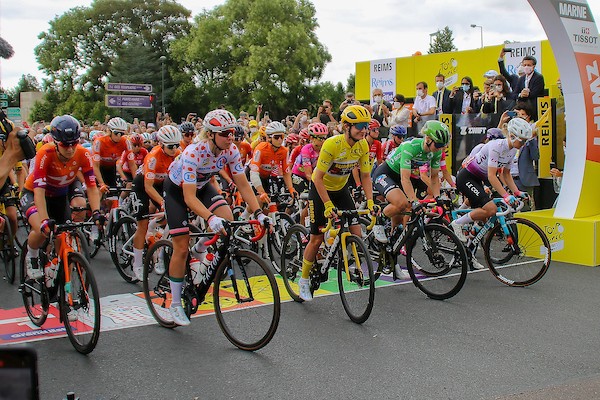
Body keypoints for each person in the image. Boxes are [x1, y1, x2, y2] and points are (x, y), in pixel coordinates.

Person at [164, 109, 270, 326]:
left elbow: (243, 184)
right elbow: (189, 197)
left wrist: (258, 212)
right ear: (210, 134)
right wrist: (210, 218)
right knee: (181, 246)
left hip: (202, 186)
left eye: (231, 132)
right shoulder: (194, 152)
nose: (230, 137)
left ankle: (201, 249)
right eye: (224, 133)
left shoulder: (230, 150)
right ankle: (175, 304)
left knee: (227, 219)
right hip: (178, 190)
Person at [297, 105, 377, 301]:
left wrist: (370, 201)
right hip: (320, 189)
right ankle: (304, 280)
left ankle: (349, 259)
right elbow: (317, 178)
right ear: (346, 126)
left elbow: (366, 176)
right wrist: (327, 205)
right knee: (316, 237)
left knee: (356, 229)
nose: (364, 129)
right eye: (359, 125)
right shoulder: (332, 144)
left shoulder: (363, 145)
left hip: (341, 189)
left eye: (366, 125)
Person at [21, 115, 102, 280]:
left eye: (74, 143)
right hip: (34, 194)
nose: (71, 149)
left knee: (63, 236)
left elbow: (92, 187)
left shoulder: (83, 153)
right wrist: (44, 220)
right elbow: (39, 192)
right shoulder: (45, 153)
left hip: (59, 195)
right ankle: (32, 256)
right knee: (42, 230)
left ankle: (56, 269)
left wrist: (96, 212)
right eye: (66, 145)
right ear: (56, 142)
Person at [451, 118, 532, 247]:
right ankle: (457, 223)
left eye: (525, 141)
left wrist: (516, 192)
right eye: (522, 140)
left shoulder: (512, 150)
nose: (523, 144)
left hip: (478, 180)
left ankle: (468, 249)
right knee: (491, 209)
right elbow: (492, 176)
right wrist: (506, 196)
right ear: (511, 136)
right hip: (467, 177)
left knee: (484, 217)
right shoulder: (496, 146)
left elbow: (506, 174)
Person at [130, 125, 181, 281]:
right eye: (170, 146)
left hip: (162, 183)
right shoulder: (153, 156)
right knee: (142, 224)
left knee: (170, 216)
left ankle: (156, 232)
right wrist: (162, 202)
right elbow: (148, 187)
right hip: (143, 185)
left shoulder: (179, 154)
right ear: (161, 144)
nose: (174, 149)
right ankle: (137, 264)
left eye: (177, 145)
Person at [249, 121, 297, 207]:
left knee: (274, 203)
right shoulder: (260, 148)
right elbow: (254, 172)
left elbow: (286, 172)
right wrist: (261, 192)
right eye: (276, 137)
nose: (280, 140)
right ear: (269, 138)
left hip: (267, 176)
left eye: (282, 136)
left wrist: (291, 189)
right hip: (254, 175)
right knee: (258, 203)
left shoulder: (284, 151)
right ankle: (244, 216)